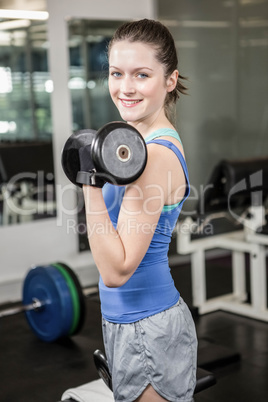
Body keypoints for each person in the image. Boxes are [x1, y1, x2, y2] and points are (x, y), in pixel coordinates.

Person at [82, 19, 198, 402]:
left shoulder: (154, 156)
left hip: (146, 327)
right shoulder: (140, 141)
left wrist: (88, 183)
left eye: (142, 74)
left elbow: (116, 270)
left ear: (170, 79)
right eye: (117, 73)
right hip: (128, 321)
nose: (125, 87)